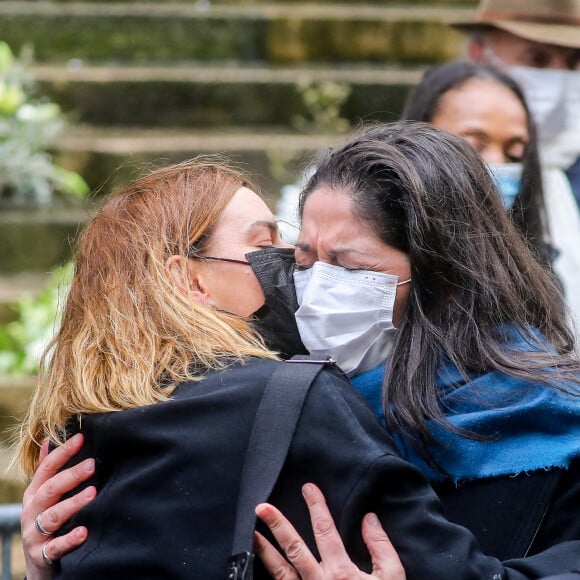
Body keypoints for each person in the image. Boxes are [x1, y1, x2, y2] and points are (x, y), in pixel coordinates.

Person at [18, 127, 580, 578]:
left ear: (445, 280)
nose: (309, 283)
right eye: (305, 261)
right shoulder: (282, 408)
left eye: (352, 267)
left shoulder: (548, 418)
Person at [451, 0, 580, 332]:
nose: (561, 78)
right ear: (480, 55)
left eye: (574, 62)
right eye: (537, 59)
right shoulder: (437, 169)